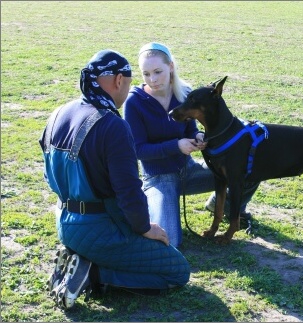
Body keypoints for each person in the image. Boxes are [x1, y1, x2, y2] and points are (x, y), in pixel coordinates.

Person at [39, 49, 190, 310]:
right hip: (101, 228)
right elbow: (129, 192)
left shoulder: (59, 112)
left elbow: (49, 178)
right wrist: (146, 228)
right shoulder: (112, 125)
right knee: (177, 270)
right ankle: (92, 273)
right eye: (131, 83)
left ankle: (84, 259)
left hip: (64, 221)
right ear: (119, 80)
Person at [123, 42, 260, 248]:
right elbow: (138, 150)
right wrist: (176, 146)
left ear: (170, 66)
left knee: (250, 170)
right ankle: (154, 201)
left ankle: (220, 204)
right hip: (159, 179)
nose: (153, 79)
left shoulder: (184, 92)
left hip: (189, 172)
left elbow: (189, 130)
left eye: (158, 71)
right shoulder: (134, 102)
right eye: (146, 74)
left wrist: (197, 136)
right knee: (169, 242)